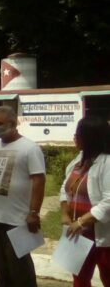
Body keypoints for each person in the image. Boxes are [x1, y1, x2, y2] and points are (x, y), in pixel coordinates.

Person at [0, 105, 45, 287]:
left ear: (13, 123)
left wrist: (34, 212)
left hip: (17, 220)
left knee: (20, 269)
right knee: (0, 266)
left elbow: (39, 181)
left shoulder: (30, 148)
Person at [59, 116, 110, 286]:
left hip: (102, 234)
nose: (75, 137)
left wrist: (81, 221)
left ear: (91, 137)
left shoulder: (107, 162)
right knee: (80, 279)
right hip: (78, 235)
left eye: (78, 134)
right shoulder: (78, 160)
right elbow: (65, 188)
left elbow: (108, 201)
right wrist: (65, 213)